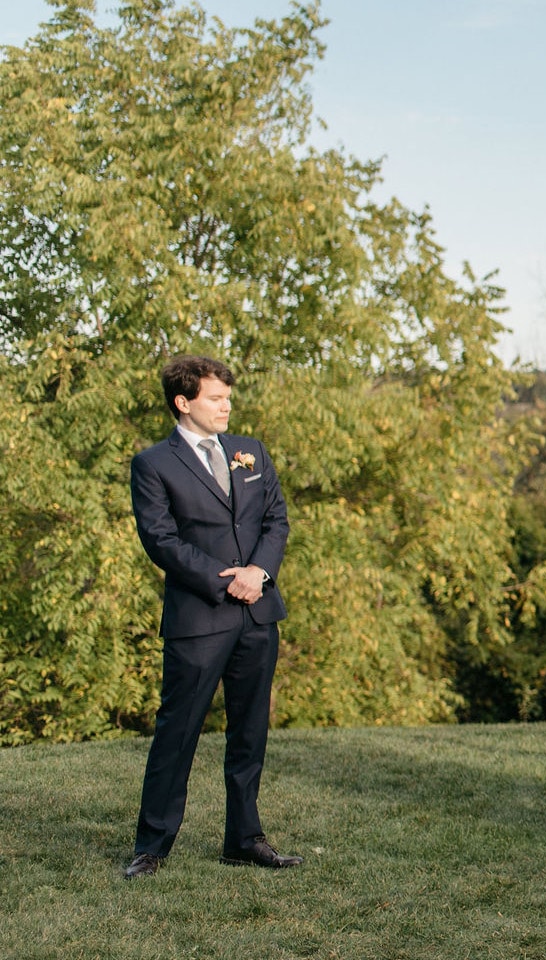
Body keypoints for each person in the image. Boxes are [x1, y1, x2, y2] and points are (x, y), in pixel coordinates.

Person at [124, 356, 301, 879]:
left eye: (229, 398)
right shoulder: (153, 464)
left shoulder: (251, 452)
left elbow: (276, 519)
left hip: (258, 614)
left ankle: (244, 839)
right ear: (184, 402)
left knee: (250, 734)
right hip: (199, 619)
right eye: (216, 399)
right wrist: (229, 580)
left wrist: (259, 574)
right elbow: (162, 540)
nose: (227, 407)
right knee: (177, 732)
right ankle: (152, 846)